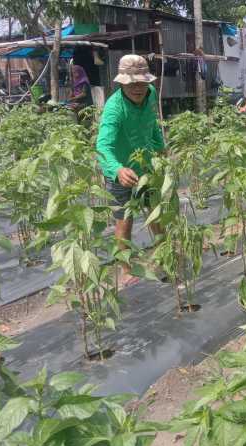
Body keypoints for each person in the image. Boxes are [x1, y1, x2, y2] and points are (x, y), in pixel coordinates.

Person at [96, 54, 165, 286]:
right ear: (121, 83)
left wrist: (161, 148)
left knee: (156, 212)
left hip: (145, 168)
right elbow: (103, 146)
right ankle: (125, 269)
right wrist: (117, 169)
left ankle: (165, 255)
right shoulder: (114, 109)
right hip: (121, 174)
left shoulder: (151, 94)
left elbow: (152, 124)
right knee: (124, 221)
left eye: (142, 82)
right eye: (131, 83)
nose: (137, 88)